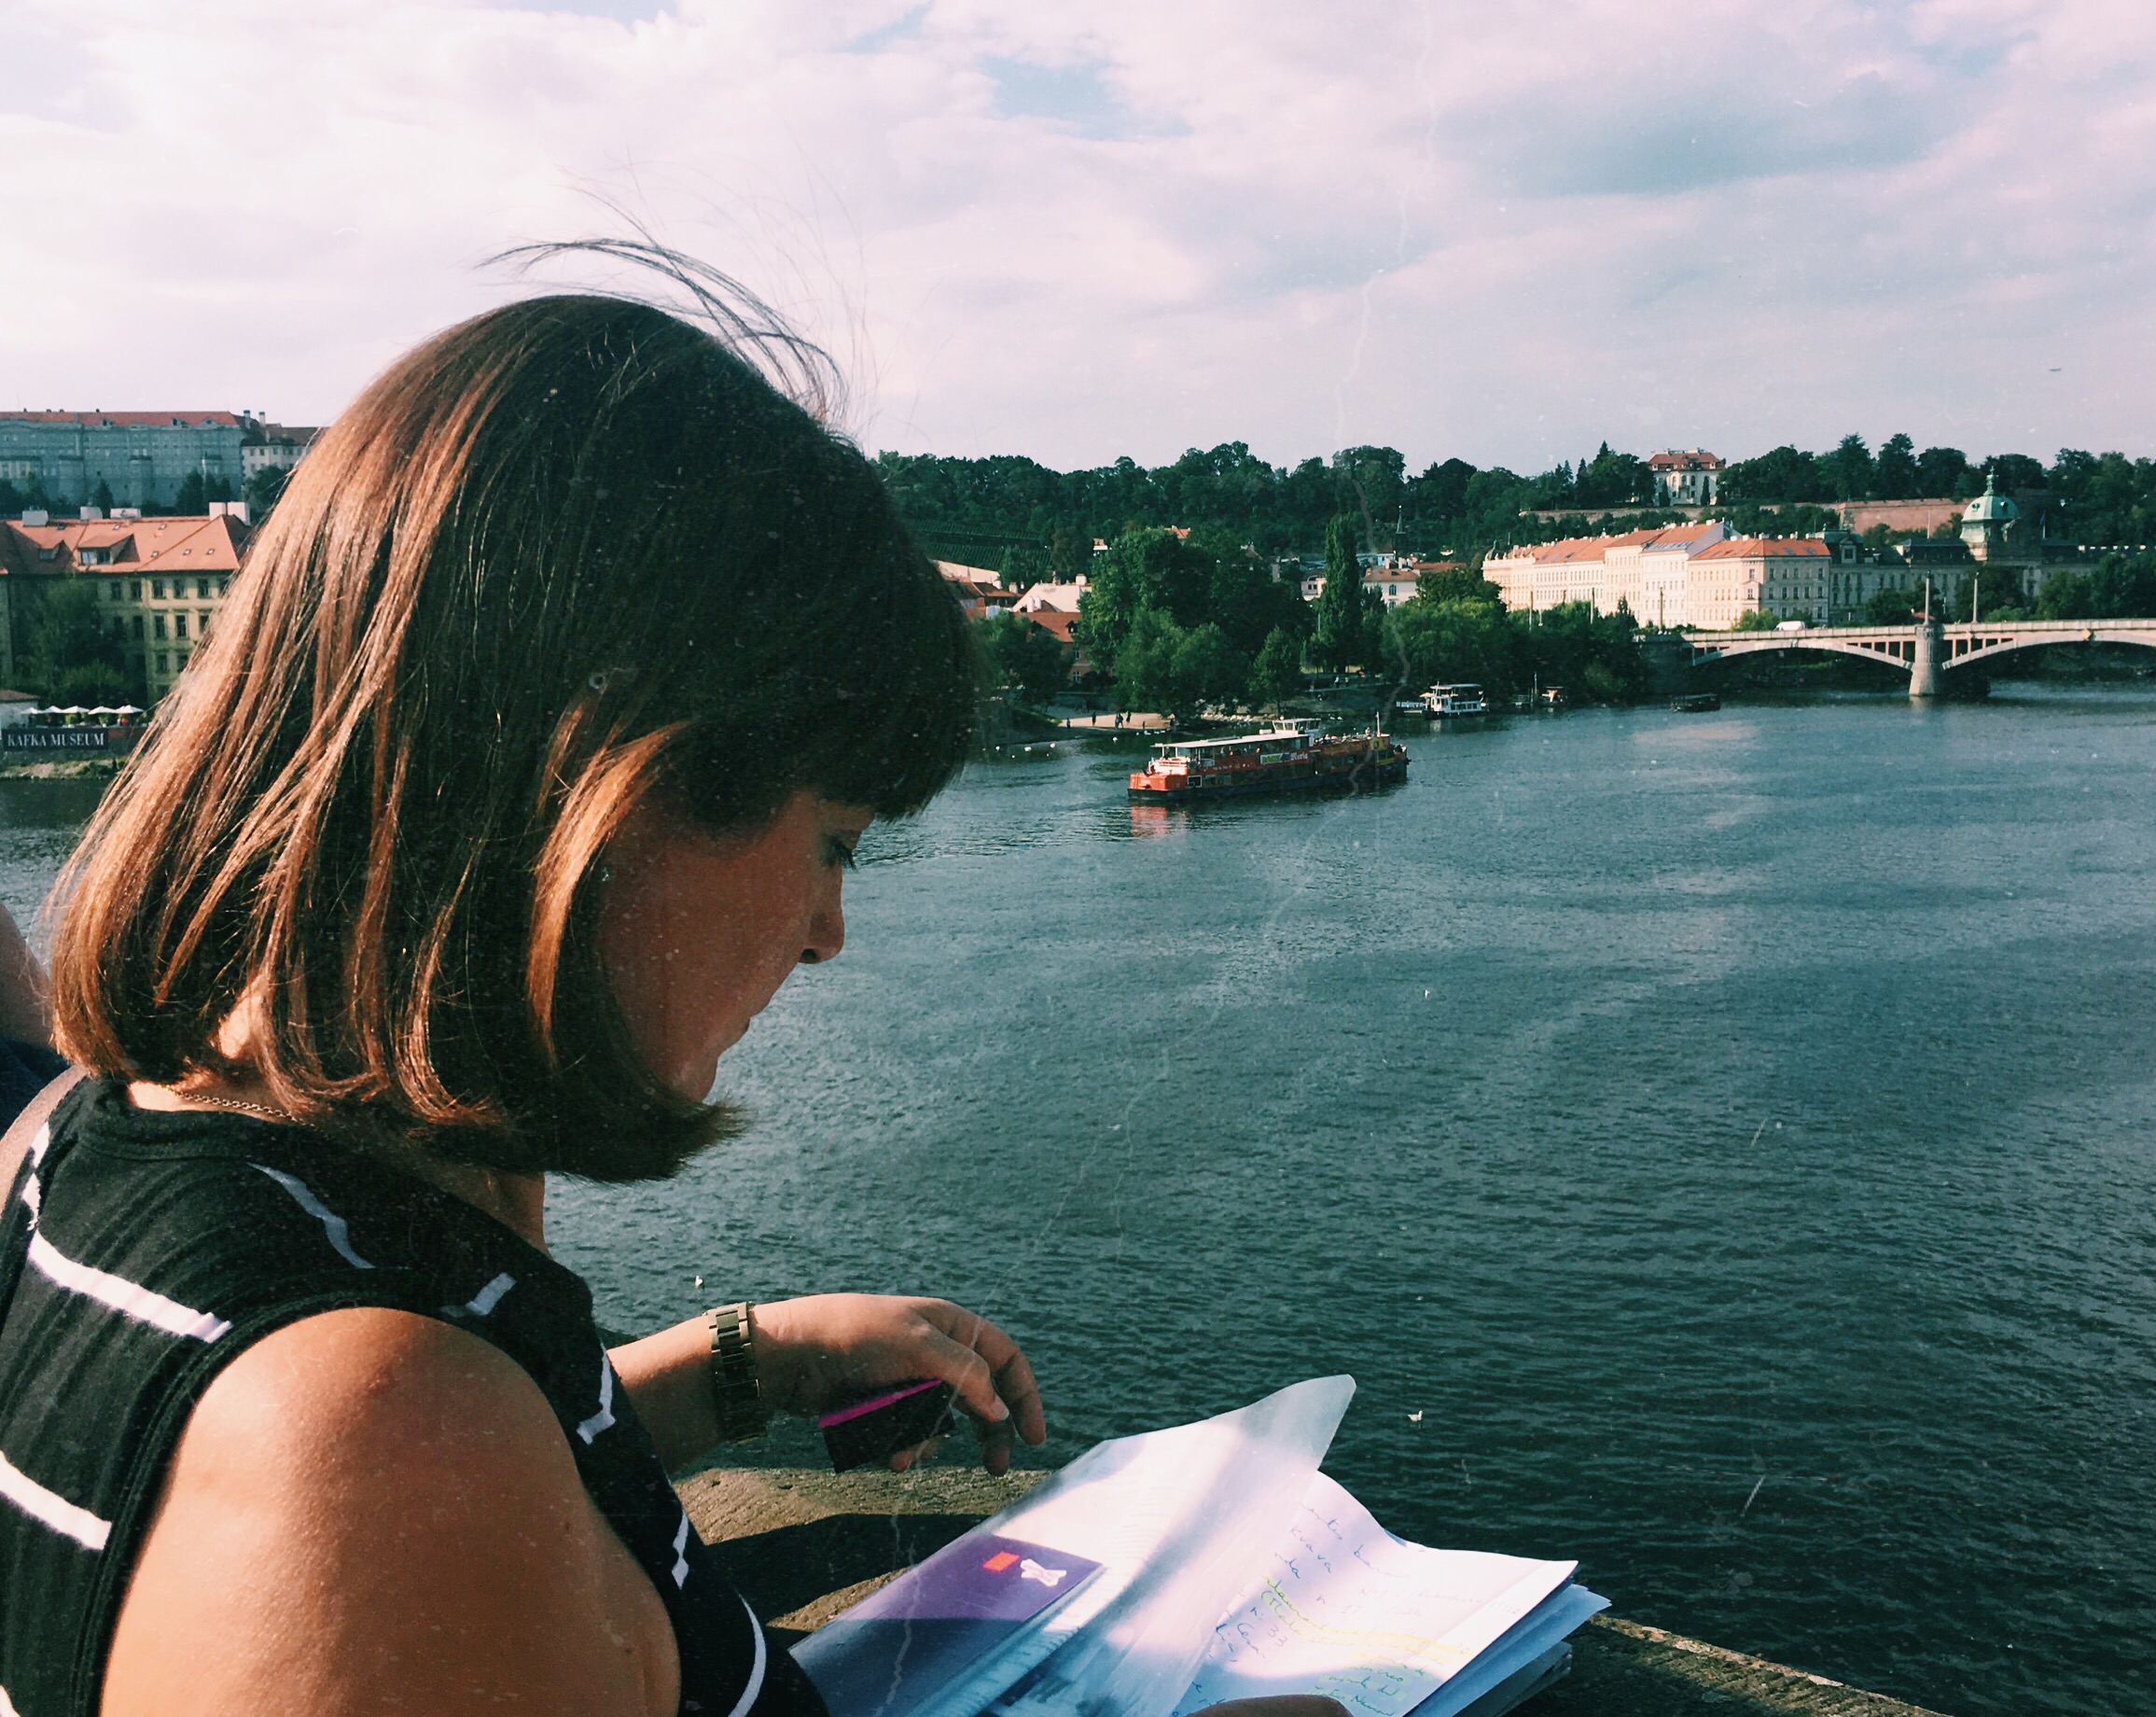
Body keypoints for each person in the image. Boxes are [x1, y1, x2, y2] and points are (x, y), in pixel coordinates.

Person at [0, 283, 1339, 1717]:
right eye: (833, 844)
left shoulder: (84, 1147)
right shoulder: (373, 1454)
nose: (827, 936)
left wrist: (739, 1366)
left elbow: (502, 1502)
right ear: (615, 792)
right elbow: (416, 1513)